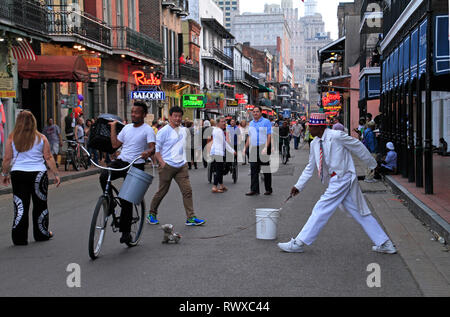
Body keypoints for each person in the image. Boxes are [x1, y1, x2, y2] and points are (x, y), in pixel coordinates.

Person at [278, 113, 397, 255]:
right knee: (359, 212)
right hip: (335, 180)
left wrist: (372, 164)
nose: (309, 129)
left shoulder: (336, 136)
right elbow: (310, 167)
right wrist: (298, 186)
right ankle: (385, 243)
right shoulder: (315, 143)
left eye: (312, 126)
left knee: (321, 208)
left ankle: (299, 242)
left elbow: (357, 145)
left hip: (343, 177)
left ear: (321, 127)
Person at [1, 111, 60, 246]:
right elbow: (48, 157)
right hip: (38, 174)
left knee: (20, 205)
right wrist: (56, 174)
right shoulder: (41, 138)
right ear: (33, 122)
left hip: (18, 174)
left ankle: (19, 238)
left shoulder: (12, 138)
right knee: (40, 205)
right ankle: (41, 233)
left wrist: (4, 174)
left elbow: (7, 158)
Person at [101, 102, 156, 244]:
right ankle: (110, 202)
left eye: (137, 112)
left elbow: (152, 148)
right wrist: (113, 128)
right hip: (122, 161)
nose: (133, 114)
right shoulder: (126, 128)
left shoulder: (147, 130)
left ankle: (126, 233)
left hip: (136, 165)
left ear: (144, 115)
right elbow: (114, 145)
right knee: (104, 176)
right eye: (132, 112)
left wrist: (147, 152)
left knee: (126, 199)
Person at [147, 106, 206, 226]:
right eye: (175, 116)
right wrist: (163, 164)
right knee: (162, 191)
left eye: (180, 116)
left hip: (181, 166)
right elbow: (157, 150)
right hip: (167, 166)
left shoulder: (184, 130)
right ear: (170, 117)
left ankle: (191, 217)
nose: (178, 118)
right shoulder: (163, 131)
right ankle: (152, 214)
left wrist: (187, 160)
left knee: (187, 191)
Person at [244, 106, 273, 196]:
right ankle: (254, 190)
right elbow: (249, 136)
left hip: (263, 147)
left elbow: (269, 135)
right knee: (253, 169)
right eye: (254, 112)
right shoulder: (251, 123)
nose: (255, 113)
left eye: (257, 111)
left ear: (260, 112)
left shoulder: (266, 122)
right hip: (253, 148)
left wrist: (266, 147)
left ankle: (268, 189)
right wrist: (245, 148)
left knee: (265, 169)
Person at [210, 117, 236, 193]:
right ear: (218, 123)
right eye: (222, 121)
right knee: (219, 170)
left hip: (216, 151)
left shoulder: (216, 129)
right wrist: (232, 151)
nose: (224, 123)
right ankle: (214, 186)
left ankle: (221, 185)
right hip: (218, 152)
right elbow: (224, 143)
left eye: (224, 121)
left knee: (219, 169)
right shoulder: (218, 131)